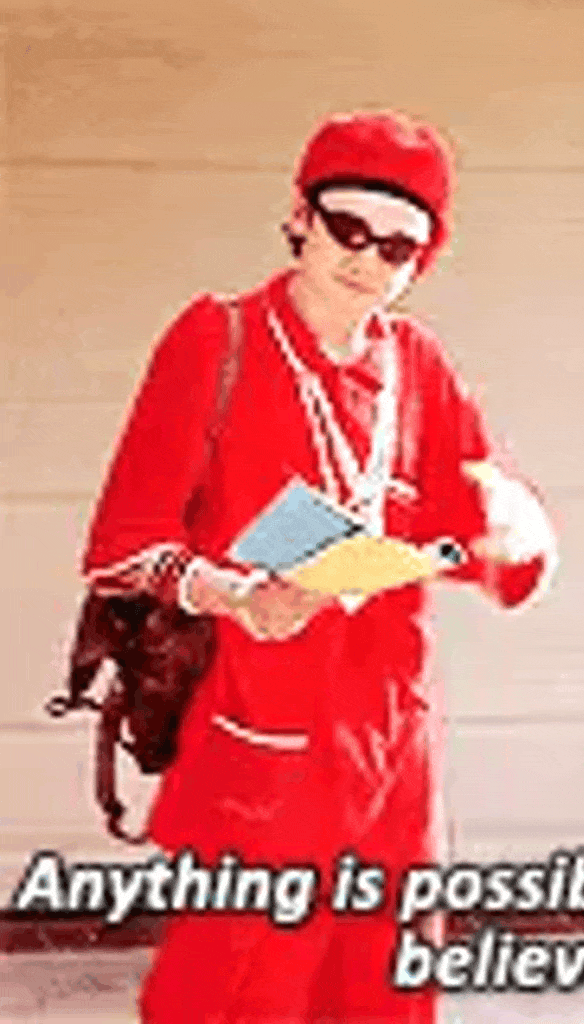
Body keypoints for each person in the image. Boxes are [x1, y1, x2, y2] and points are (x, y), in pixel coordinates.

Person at [81, 110, 558, 1024]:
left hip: (389, 747)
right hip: (256, 736)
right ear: (301, 218)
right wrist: (236, 595)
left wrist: (519, 530)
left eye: (398, 247)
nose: (367, 260)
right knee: (234, 993)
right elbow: (122, 546)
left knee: (386, 991)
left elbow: (481, 532)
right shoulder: (216, 338)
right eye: (348, 228)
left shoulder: (420, 365)